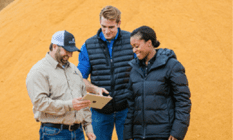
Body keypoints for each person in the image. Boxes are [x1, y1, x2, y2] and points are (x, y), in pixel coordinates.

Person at [77, 5, 135, 140]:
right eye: (103, 26)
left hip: (127, 109)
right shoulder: (88, 46)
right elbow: (80, 78)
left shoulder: (132, 41)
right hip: (99, 112)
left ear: (119, 23)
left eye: (111, 27)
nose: (106, 31)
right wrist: (94, 89)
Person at [123, 26, 191, 140]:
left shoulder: (172, 66)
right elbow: (131, 106)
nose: (134, 50)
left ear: (149, 43)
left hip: (164, 135)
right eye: (132, 47)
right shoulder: (134, 69)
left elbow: (183, 101)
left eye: (137, 46)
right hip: (139, 135)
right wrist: (128, 135)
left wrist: (177, 132)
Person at [26, 30, 96, 140]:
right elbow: (40, 103)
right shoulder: (39, 71)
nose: (70, 55)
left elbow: (83, 101)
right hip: (54, 133)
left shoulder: (74, 70)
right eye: (67, 50)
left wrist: (88, 127)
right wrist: (70, 105)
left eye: (72, 51)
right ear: (54, 46)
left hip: (78, 133)